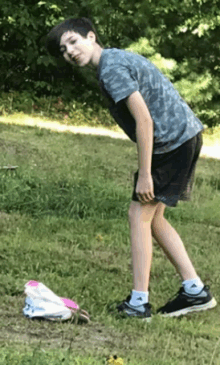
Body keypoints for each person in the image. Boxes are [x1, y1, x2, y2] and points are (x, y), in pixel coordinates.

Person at [45, 17, 217, 319]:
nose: (70, 51)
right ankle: (194, 291)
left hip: (172, 142)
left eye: (73, 41)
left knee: (138, 215)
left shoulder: (111, 69)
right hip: (185, 136)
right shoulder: (113, 60)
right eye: (63, 49)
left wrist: (146, 174)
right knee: (154, 219)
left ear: (91, 36)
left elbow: (145, 120)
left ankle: (138, 304)